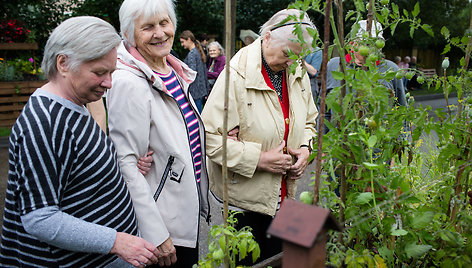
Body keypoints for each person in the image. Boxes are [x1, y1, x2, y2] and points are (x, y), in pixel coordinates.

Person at [0, 16, 160, 268]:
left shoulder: (74, 104)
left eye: (111, 72)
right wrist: (116, 241)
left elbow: (74, 173)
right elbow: (39, 218)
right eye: (99, 73)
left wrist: (115, 170)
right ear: (63, 63)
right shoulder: (44, 122)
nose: (108, 83)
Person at [201, 9, 318, 265]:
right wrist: (259, 159)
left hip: (286, 195)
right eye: (288, 53)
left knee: (285, 260)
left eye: (299, 56)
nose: (292, 62)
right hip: (246, 202)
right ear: (267, 37)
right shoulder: (236, 76)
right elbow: (209, 137)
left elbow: (310, 119)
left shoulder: (296, 69)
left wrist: (306, 148)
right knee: (252, 262)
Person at [106, 0, 210, 267]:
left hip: (182, 214)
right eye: (148, 27)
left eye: (164, 23)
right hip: (162, 225)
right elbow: (126, 163)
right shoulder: (129, 82)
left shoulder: (172, 71)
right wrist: (156, 232)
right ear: (129, 34)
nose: (160, 33)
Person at [180, 30, 210, 113]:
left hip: (195, 91)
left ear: (189, 39)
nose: (182, 45)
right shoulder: (197, 51)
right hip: (201, 89)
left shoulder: (192, 54)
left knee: (197, 116)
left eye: (183, 42)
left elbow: (191, 72)